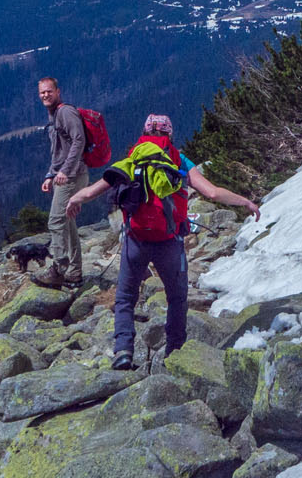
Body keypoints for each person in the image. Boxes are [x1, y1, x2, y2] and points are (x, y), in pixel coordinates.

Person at [66, 113, 261, 371]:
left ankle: (123, 351)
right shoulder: (179, 159)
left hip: (135, 241)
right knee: (177, 297)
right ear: (169, 134)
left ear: (145, 132)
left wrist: (73, 200)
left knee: (125, 297)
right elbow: (211, 192)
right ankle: (175, 353)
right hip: (169, 241)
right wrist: (246, 202)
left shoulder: (132, 158)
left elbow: (92, 191)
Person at [34, 77, 88, 288]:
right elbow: (59, 151)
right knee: (67, 222)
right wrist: (50, 174)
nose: (45, 95)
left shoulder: (65, 112)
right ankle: (73, 272)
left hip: (72, 176)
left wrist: (65, 171)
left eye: (49, 91)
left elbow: (79, 140)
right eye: (42, 93)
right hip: (65, 175)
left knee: (56, 222)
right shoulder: (54, 115)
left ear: (58, 91)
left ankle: (58, 270)